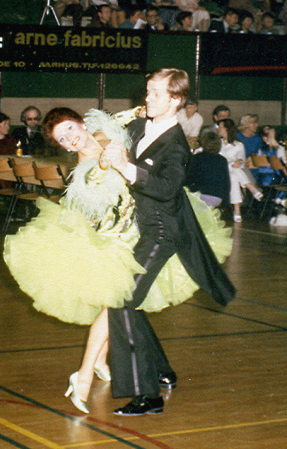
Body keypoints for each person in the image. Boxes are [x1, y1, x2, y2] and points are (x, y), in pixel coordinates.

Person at [4, 100, 234, 415]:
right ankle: (89, 372)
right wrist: (102, 167)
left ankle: (114, 366)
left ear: (81, 123)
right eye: (62, 139)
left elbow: (121, 123)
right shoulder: (83, 173)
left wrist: (143, 111)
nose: (70, 138)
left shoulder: (103, 132)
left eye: (70, 128)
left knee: (126, 304)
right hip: (117, 241)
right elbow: (98, 183)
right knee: (120, 303)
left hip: (149, 227)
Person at [102, 68, 236, 416]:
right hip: (140, 227)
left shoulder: (178, 145)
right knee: (127, 301)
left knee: (122, 299)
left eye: (155, 94)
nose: (147, 98)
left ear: (175, 100)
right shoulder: (137, 126)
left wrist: (125, 168)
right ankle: (162, 371)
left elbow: (164, 189)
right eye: (148, 91)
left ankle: (148, 395)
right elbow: (118, 149)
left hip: (163, 231)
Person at [218, 118, 263, 222]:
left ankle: (237, 210)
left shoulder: (238, 145)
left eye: (220, 127)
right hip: (220, 172)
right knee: (232, 168)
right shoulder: (217, 143)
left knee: (234, 175)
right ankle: (251, 187)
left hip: (232, 173)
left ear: (226, 129)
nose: (218, 129)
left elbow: (241, 159)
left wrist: (238, 161)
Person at [185, 132, 231, 208]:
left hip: (200, 196)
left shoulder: (196, 158)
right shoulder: (222, 160)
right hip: (217, 198)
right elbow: (226, 184)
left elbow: (189, 179)